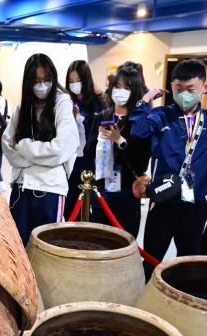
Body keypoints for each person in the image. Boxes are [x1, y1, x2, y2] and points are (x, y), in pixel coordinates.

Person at [130, 59, 207, 280]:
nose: (184, 94)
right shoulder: (161, 115)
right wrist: (144, 102)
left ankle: (182, 302)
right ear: (171, 87)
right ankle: (144, 301)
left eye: (190, 89)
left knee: (189, 260)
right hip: (165, 200)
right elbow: (139, 131)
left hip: (195, 203)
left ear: (203, 88)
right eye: (178, 89)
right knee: (152, 257)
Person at [2, 53, 79, 246]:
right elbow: (7, 143)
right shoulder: (23, 107)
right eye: (36, 81)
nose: (42, 85)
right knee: (18, 246)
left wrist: (25, 147)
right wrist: (36, 158)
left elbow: (60, 149)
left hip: (49, 187)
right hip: (21, 186)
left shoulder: (62, 102)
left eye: (47, 80)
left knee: (47, 249)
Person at [85, 65, 151, 238]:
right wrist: (98, 139)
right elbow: (88, 153)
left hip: (127, 192)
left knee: (124, 240)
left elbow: (141, 160)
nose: (120, 91)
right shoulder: (102, 116)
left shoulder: (138, 121)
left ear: (135, 91)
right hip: (101, 190)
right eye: (117, 86)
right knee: (98, 239)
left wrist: (119, 140)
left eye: (127, 88)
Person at [64, 60, 109, 219]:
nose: (75, 85)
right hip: (70, 161)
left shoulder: (99, 102)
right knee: (70, 206)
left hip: (91, 161)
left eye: (78, 80)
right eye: (71, 82)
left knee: (93, 207)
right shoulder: (66, 101)